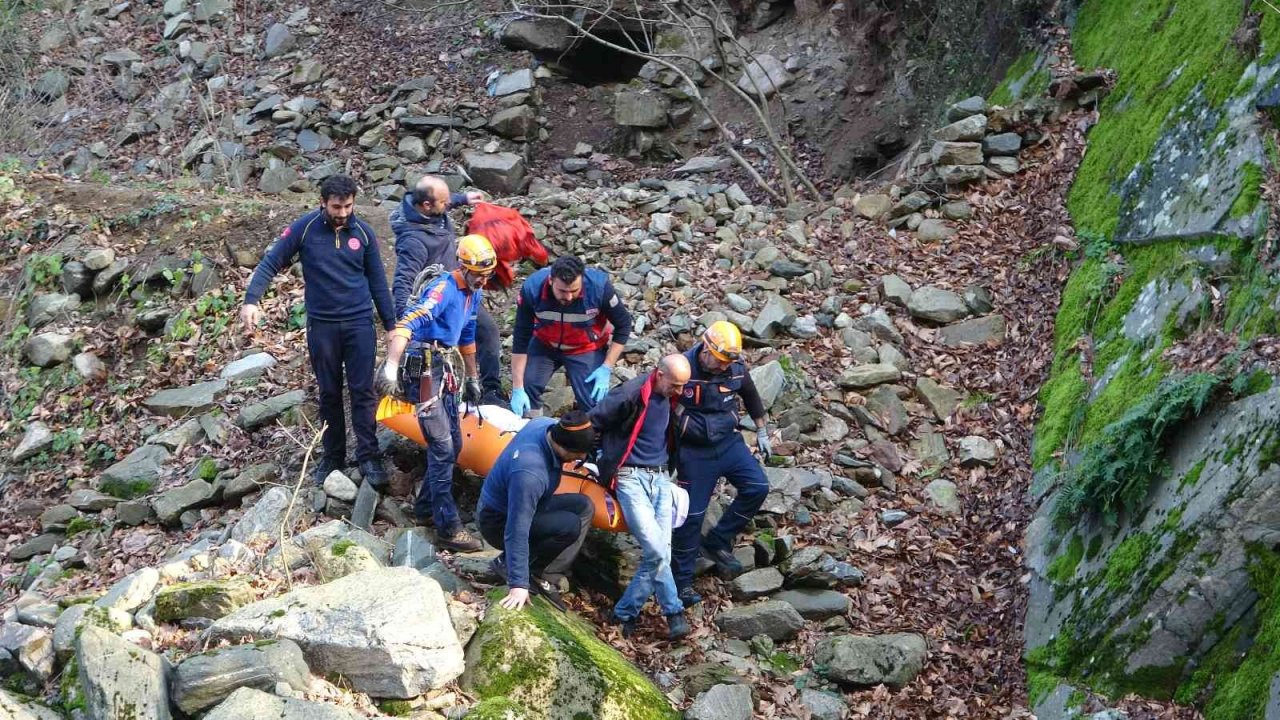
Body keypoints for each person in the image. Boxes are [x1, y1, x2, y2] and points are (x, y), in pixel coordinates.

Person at [240, 174, 395, 488]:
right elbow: (271, 262)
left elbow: (378, 281)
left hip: (359, 324)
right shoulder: (305, 228)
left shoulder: (364, 233)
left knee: (363, 391)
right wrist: (251, 300)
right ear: (322, 202)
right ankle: (333, 455)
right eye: (336, 207)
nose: (343, 213)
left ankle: (368, 454)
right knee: (328, 392)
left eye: (348, 206)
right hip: (322, 326)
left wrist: (392, 326)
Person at [378, 234, 496, 552]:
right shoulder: (442, 290)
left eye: (487, 275)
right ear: (463, 267)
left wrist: (473, 378)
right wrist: (391, 366)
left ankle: (426, 508)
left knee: (454, 443)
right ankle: (448, 527)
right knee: (442, 446)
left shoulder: (474, 292)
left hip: (445, 367)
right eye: (479, 274)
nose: (483, 280)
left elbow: (467, 335)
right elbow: (408, 323)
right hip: (422, 367)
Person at [589, 353, 692, 640]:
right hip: (630, 477)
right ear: (659, 374)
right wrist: (600, 457)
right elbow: (593, 421)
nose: (679, 391)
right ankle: (674, 611)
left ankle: (624, 614)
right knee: (657, 551)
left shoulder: (673, 398)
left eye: (683, 385)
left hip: (661, 478)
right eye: (675, 385)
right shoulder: (630, 394)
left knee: (660, 553)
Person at [670, 321, 772, 607]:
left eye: (728, 361)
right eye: (720, 360)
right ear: (706, 349)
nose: (724, 366)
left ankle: (717, 540)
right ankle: (681, 582)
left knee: (757, 486)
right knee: (691, 515)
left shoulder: (735, 367)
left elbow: (750, 395)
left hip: (728, 442)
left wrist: (762, 430)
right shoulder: (683, 369)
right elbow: (658, 402)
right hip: (694, 451)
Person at [389, 175, 505, 405]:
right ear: (426, 205)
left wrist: (463, 198)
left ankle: (490, 391)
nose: (448, 204)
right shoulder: (414, 241)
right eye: (444, 202)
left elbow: (444, 201)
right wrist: (405, 324)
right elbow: (402, 281)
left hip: (463, 287)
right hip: (438, 299)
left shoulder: (432, 211)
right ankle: (424, 396)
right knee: (440, 349)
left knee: (487, 332)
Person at [477, 411, 596, 611]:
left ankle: (545, 574)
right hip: (496, 521)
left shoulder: (545, 424)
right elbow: (517, 529)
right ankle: (508, 564)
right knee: (569, 526)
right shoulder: (530, 472)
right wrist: (518, 583)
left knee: (584, 506)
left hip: (531, 503)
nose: (582, 458)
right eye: (578, 455)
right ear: (563, 448)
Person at [510, 255, 633, 417]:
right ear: (551, 281)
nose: (568, 297)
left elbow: (624, 325)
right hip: (545, 344)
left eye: (574, 291)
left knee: (593, 402)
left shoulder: (599, 288)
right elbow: (521, 337)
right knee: (527, 390)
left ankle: (588, 431)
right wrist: (517, 387)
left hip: (585, 348)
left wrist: (606, 367)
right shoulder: (532, 289)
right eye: (562, 291)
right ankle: (531, 425)